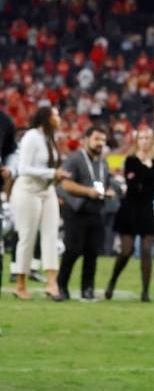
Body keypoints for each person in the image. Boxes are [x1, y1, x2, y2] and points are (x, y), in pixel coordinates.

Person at [9, 106, 67, 300]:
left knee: (51, 234)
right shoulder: (31, 137)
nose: (59, 118)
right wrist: (52, 173)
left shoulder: (49, 138)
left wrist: (56, 177)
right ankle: (20, 284)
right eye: (56, 115)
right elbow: (23, 167)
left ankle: (52, 283)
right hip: (28, 189)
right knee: (27, 237)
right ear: (46, 118)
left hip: (47, 189)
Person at [106, 127, 154, 302]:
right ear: (137, 140)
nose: (144, 141)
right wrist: (147, 173)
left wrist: (143, 180)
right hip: (129, 208)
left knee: (147, 250)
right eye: (142, 137)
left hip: (146, 209)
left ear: (152, 140)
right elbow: (133, 184)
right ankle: (112, 281)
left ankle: (145, 291)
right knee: (126, 250)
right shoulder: (130, 160)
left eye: (148, 137)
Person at [57, 125, 113, 301]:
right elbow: (65, 184)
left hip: (96, 210)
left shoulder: (103, 162)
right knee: (73, 250)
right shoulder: (75, 158)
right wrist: (88, 191)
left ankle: (87, 289)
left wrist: (110, 191)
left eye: (103, 140)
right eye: (97, 139)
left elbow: (107, 183)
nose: (100, 143)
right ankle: (61, 286)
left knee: (92, 252)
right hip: (76, 210)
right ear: (86, 139)